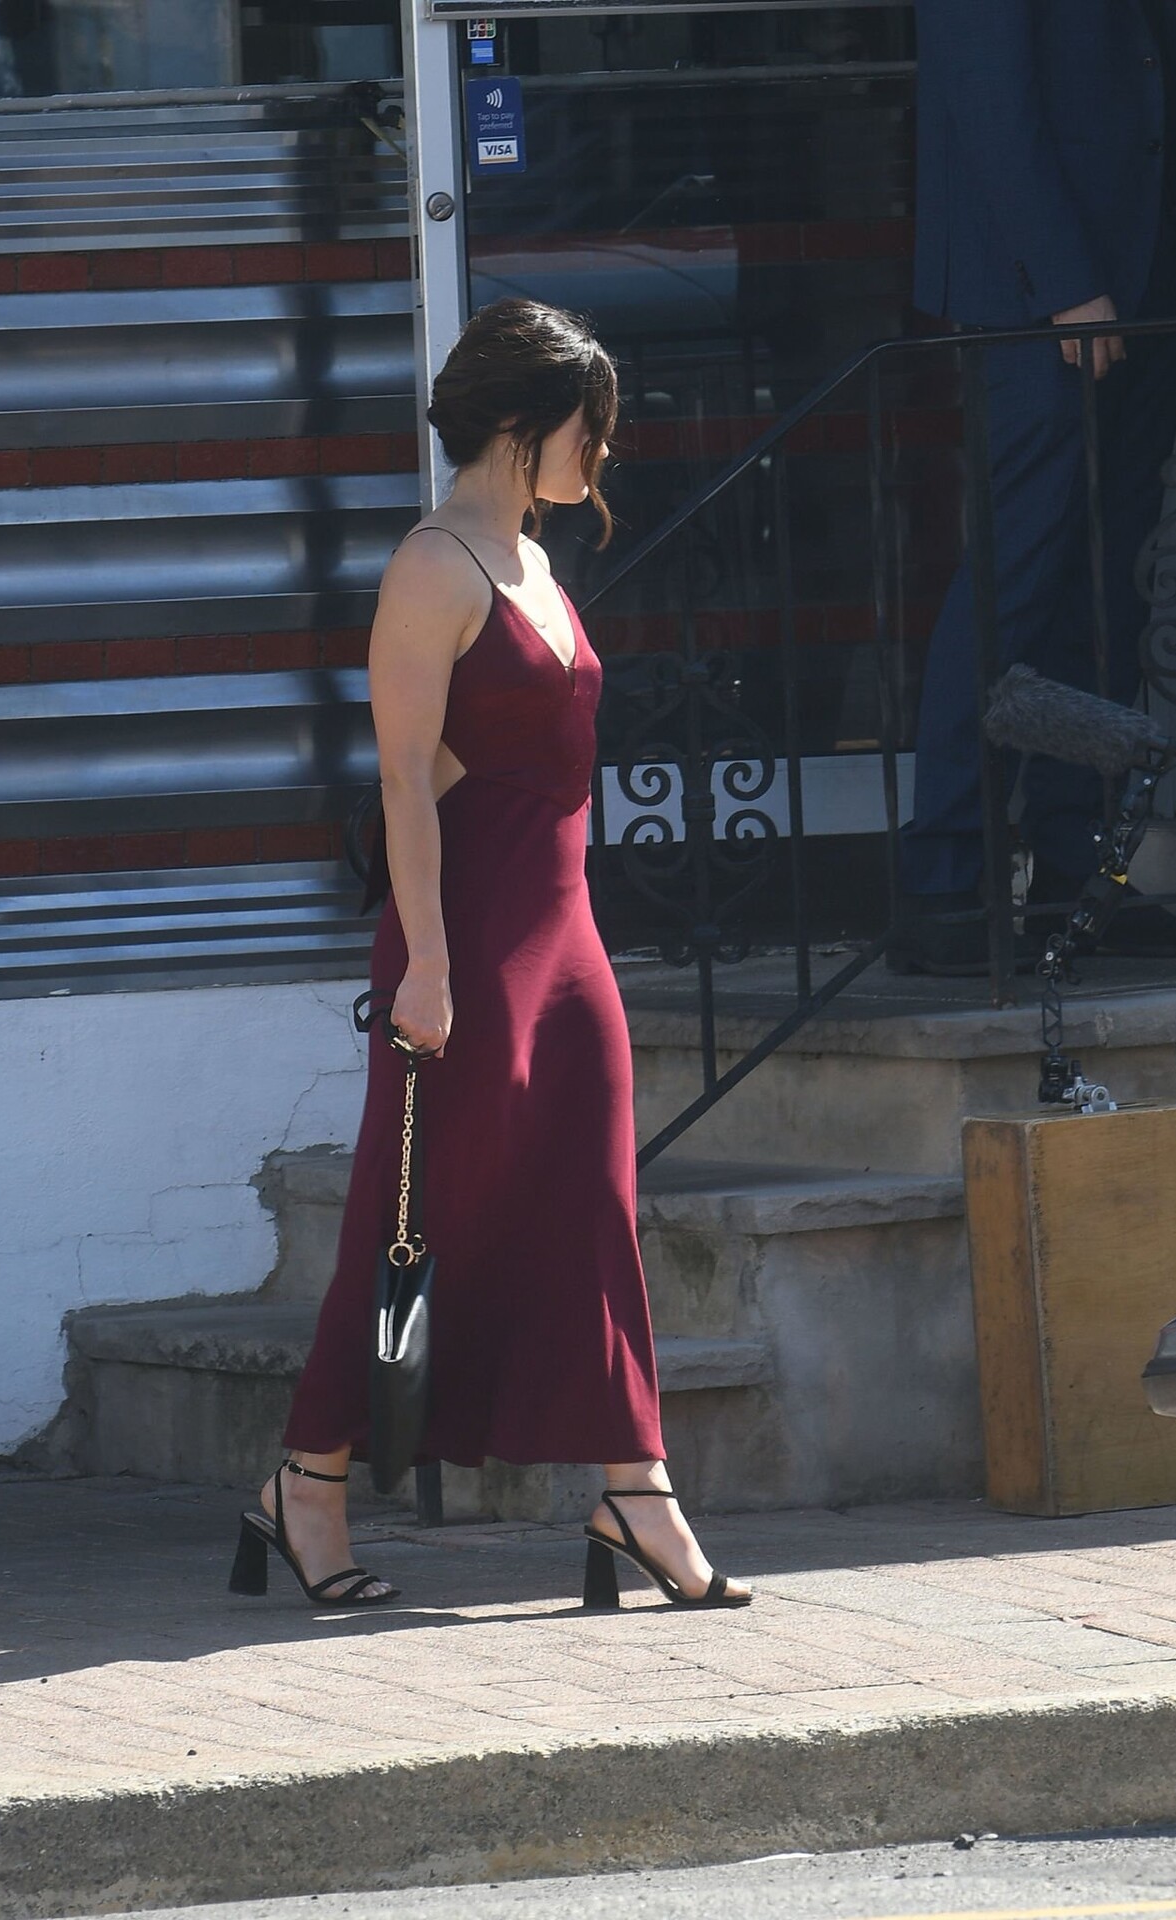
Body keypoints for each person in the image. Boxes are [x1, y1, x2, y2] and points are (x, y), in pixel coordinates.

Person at [229, 299, 750, 1612]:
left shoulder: (531, 558)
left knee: (594, 1213)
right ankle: (308, 1481)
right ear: (522, 423)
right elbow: (405, 782)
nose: (602, 453)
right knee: (415, 1214)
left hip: (566, 943)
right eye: (590, 427)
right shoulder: (434, 564)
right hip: (460, 944)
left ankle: (635, 1489)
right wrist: (427, 966)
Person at [890, 0, 1176, 976]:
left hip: (1140, 262)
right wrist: (1063, 281)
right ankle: (944, 880)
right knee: (1018, 572)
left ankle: (1081, 871)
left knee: (1104, 575)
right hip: (1044, 293)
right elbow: (987, 95)